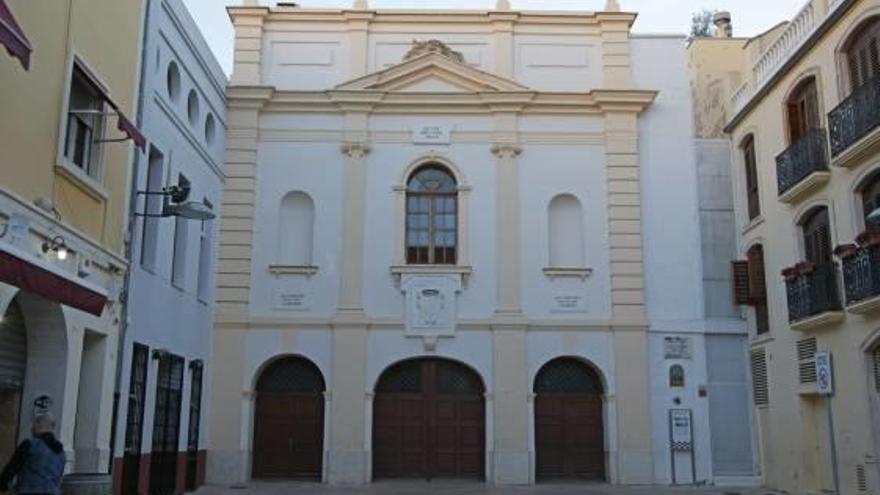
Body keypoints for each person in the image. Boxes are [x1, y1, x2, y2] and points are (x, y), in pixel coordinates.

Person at [0, 414, 66, 495]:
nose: (32, 428)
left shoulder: (29, 444)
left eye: (33, 425)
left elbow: (12, 467)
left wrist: (3, 485)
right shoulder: (61, 452)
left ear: (38, 425)